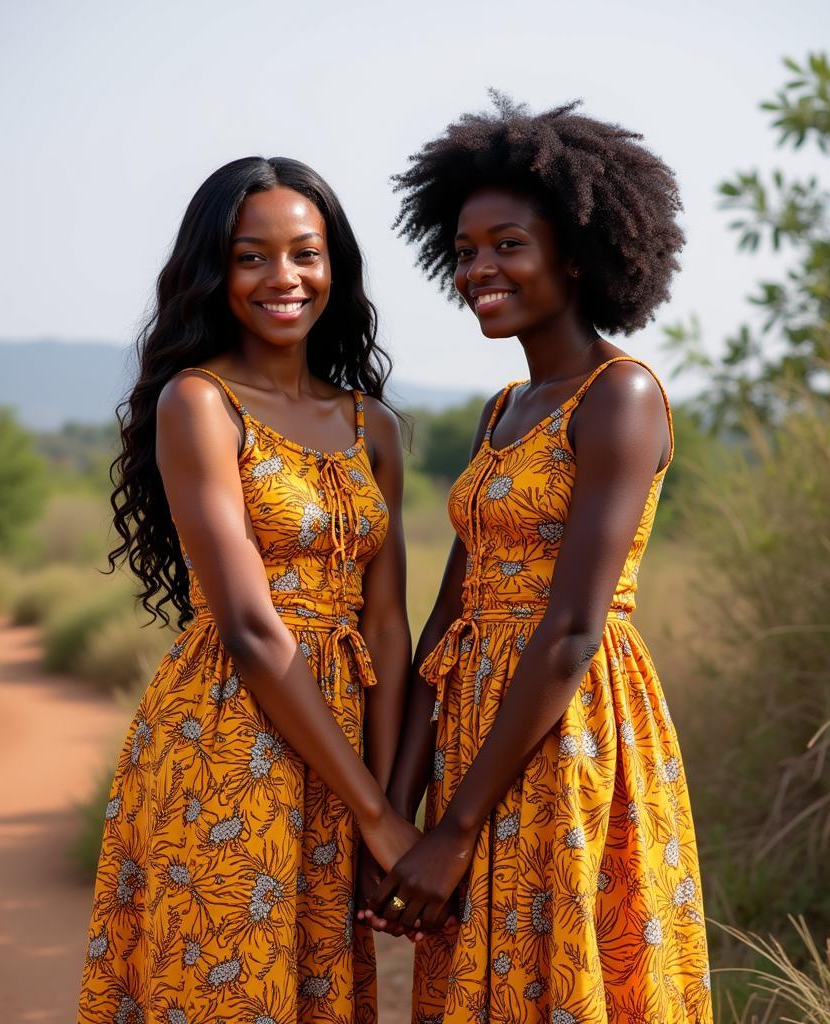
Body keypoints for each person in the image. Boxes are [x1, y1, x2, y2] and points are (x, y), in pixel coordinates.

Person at [369, 96, 713, 1024]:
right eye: (467, 249)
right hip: (476, 724)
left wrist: (451, 830)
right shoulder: (504, 409)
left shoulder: (621, 396)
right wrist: (395, 809)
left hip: (564, 727)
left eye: (507, 244)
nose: (480, 267)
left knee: (560, 973)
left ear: (575, 253)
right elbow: (451, 613)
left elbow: (568, 632)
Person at [78, 156, 417, 1024]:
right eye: (250, 256)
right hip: (231, 737)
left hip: (344, 754)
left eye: (305, 253)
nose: (283, 279)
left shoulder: (371, 425)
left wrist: (385, 803)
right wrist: (377, 815)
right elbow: (249, 629)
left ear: (334, 266)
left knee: (318, 994)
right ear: (214, 272)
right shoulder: (199, 404)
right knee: (226, 989)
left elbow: (385, 623)